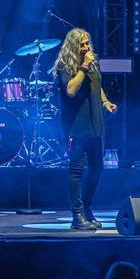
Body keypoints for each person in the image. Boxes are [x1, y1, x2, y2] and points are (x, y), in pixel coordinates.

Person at [51, 28, 117, 231]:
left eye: (88, 44)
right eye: (82, 45)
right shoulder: (65, 65)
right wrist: (83, 67)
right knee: (76, 170)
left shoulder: (93, 62)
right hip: (76, 126)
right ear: (73, 46)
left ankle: (87, 208)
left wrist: (106, 102)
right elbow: (70, 90)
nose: (87, 48)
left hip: (96, 124)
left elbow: (97, 85)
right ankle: (77, 215)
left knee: (98, 168)